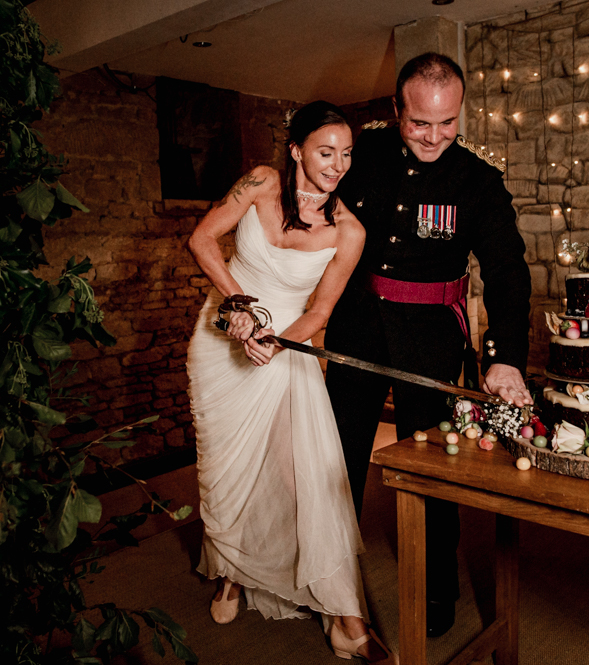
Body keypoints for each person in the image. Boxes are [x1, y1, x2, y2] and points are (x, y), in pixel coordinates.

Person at [324, 53, 534, 638]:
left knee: (434, 475)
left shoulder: (478, 181)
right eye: (420, 123)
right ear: (397, 111)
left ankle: (438, 588)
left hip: (432, 339)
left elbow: (508, 272)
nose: (434, 137)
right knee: (335, 463)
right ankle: (329, 587)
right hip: (356, 326)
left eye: (448, 123)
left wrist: (506, 358)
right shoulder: (360, 154)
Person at [186, 101, 394, 663]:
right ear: (297, 148)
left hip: (287, 350)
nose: (338, 165)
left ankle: (345, 617)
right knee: (227, 469)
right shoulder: (258, 183)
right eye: (327, 152)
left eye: (346, 155)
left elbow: (319, 312)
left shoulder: (348, 230)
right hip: (220, 344)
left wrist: (275, 341)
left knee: (301, 475)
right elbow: (203, 242)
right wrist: (239, 308)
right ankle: (232, 572)